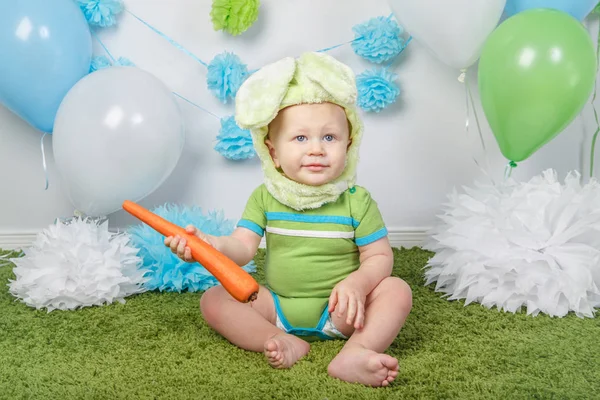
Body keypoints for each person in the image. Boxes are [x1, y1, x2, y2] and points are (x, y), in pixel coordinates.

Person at [165, 52, 412, 387]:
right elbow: (242, 247)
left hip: (342, 311)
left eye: (329, 137)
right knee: (213, 300)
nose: (316, 149)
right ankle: (278, 338)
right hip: (276, 308)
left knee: (396, 291)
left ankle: (357, 350)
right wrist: (210, 245)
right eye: (300, 138)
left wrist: (358, 283)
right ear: (274, 153)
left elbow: (380, 256)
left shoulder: (356, 201)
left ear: (349, 144)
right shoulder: (265, 197)